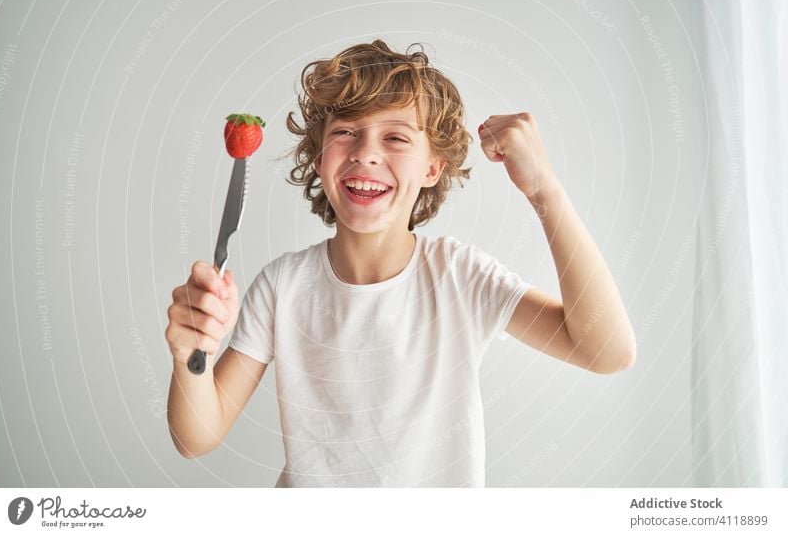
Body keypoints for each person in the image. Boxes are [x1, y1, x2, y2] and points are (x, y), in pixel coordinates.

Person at [165, 39, 637, 487]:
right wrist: (190, 355)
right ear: (317, 157)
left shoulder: (459, 276)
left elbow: (607, 352)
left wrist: (544, 191)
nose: (366, 152)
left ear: (433, 167)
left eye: (395, 137)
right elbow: (195, 437)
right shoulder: (282, 286)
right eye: (346, 132)